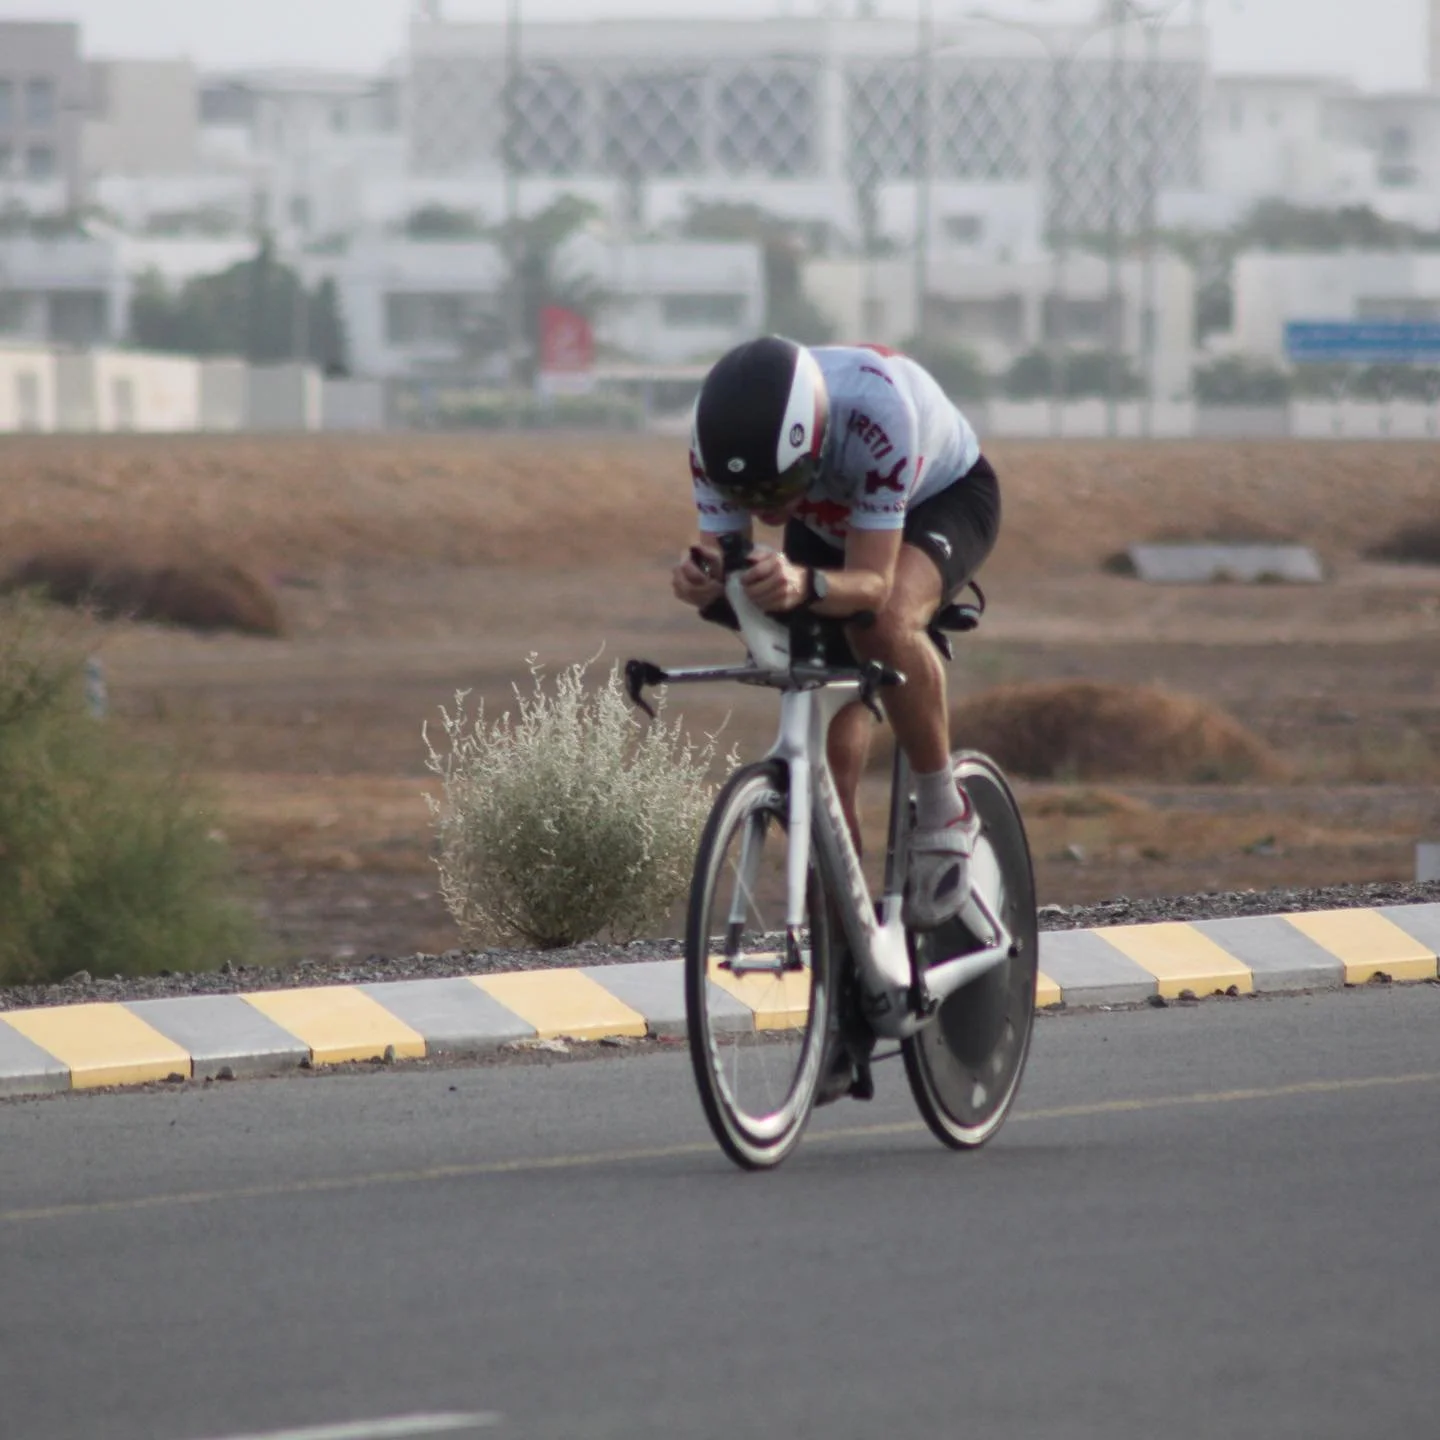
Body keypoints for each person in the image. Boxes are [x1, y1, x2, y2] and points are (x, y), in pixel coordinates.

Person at [672, 334, 1001, 932]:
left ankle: (943, 809)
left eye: (778, 491)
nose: (766, 511)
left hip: (940, 499)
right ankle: (844, 942)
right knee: (820, 723)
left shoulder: (876, 417)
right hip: (832, 517)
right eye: (748, 496)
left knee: (881, 624)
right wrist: (702, 575)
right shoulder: (713, 436)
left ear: (815, 442)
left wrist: (807, 585)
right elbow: (718, 548)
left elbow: (871, 582)